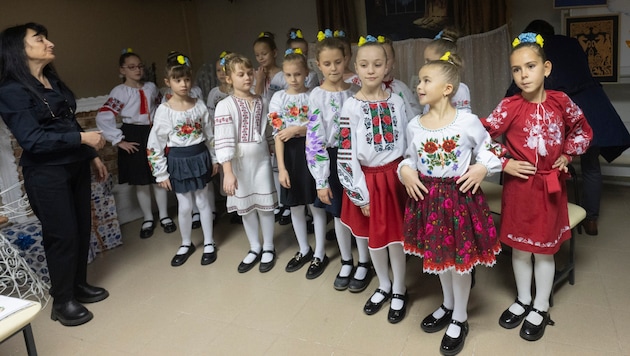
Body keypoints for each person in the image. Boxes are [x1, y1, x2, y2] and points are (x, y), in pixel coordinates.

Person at [483, 32, 593, 342]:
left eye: (530, 67)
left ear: (546, 68)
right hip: (519, 189)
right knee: (519, 249)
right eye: (516, 69)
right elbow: (480, 137)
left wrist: (568, 154)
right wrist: (505, 163)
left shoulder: (562, 101)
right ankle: (522, 300)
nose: (523, 75)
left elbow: (583, 131)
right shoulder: (509, 106)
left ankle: (541, 306)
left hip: (551, 187)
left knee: (544, 252)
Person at [0, 22, 109, 326]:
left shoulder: (52, 82)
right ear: (19, 50)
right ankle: (62, 302)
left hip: (75, 165)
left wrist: (92, 154)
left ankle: (77, 287)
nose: (50, 43)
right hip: (46, 175)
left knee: (81, 229)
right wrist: (82, 140)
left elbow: (67, 124)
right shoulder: (10, 91)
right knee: (62, 236)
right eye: (40, 39)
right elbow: (32, 140)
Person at [399, 51, 502, 355]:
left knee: (460, 262)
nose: (419, 86)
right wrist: (404, 171)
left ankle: (460, 316)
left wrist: (483, 167)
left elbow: (492, 149)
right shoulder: (415, 125)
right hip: (429, 200)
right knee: (440, 257)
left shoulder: (467, 121)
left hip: (459, 199)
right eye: (419, 80)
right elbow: (409, 158)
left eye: (426, 80)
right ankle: (446, 304)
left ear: (447, 89)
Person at [506, 19, 630, 236]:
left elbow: (521, 89)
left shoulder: (537, 48)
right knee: (591, 164)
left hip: (560, 113)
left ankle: (548, 220)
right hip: (592, 108)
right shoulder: (571, 44)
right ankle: (590, 220)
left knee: (544, 163)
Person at [337, 36, 409, 323]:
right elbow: (346, 153)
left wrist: (409, 173)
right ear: (356, 67)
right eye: (364, 65)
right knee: (374, 240)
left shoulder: (398, 102)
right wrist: (359, 193)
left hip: (395, 180)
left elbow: (408, 140)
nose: (371, 70)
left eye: (377, 64)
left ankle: (400, 289)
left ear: (387, 66)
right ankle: (384, 284)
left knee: (397, 240)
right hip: (367, 182)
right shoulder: (350, 107)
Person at [306, 31, 371, 292]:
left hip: (355, 159)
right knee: (339, 214)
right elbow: (314, 140)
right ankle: (347, 260)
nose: (333, 68)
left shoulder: (356, 93)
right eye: (327, 63)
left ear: (347, 60)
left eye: (337, 62)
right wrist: (321, 179)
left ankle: (364, 261)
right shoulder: (315, 96)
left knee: (357, 208)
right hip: (331, 159)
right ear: (318, 65)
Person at [147, 52, 219, 267]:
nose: (184, 84)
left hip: (199, 157)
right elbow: (155, 143)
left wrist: (214, 159)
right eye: (178, 80)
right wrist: (160, 172)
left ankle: (209, 242)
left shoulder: (199, 105)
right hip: (178, 160)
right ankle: (186, 243)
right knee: (185, 205)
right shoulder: (164, 110)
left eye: (187, 79)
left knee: (203, 201)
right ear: (168, 83)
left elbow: (210, 134)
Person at [96, 49, 176, 239]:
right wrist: (119, 141)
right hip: (132, 133)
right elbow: (104, 115)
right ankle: (148, 218)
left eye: (140, 66)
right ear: (122, 70)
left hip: (152, 132)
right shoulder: (120, 91)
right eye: (132, 67)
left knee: (158, 176)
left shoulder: (150, 87)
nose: (137, 70)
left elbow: (158, 107)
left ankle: (164, 216)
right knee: (141, 181)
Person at [214, 53, 278, 273]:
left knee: (265, 205)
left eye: (250, 73)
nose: (247, 78)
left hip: (261, 160)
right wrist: (228, 172)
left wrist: (272, 148)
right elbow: (223, 140)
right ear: (229, 78)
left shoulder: (262, 101)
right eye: (240, 74)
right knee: (246, 207)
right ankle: (254, 247)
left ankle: (269, 246)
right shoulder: (225, 105)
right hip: (239, 163)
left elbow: (268, 129)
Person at [268, 49, 328, 278]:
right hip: (289, 155)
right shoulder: (278, 99)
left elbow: (318, 126)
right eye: (288, 75)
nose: (293, 79)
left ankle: (320, 252)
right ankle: (304, 248)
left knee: (315, 204)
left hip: (312, 151)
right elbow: (278, 135)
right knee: (294, 204)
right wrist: (282, 167)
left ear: (307, 73)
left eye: (298, 74)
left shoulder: (314, 95)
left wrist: (297, 129)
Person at [253, 31, 290, 225]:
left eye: (264, 53)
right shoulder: (255, 76)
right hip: (264, 127)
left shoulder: (283, 75)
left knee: (281, 164)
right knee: (271, 167)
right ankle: (277, 202)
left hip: (281, 125)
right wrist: (258, 80)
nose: (261, 58)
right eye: (257, 55)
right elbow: (255, 100)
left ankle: (286, 204)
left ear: (274, 52)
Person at [422, 27, 471, 114]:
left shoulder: (460, 90)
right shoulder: (427, 88)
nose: (425, 65)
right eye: (425, 61)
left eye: (429, 61)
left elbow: (464, 119)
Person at [381, 36, 422, 118]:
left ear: (394, 62)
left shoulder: (401, 87)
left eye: (387, 58)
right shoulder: (367, 89)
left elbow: (415, 110)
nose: (382, 62)